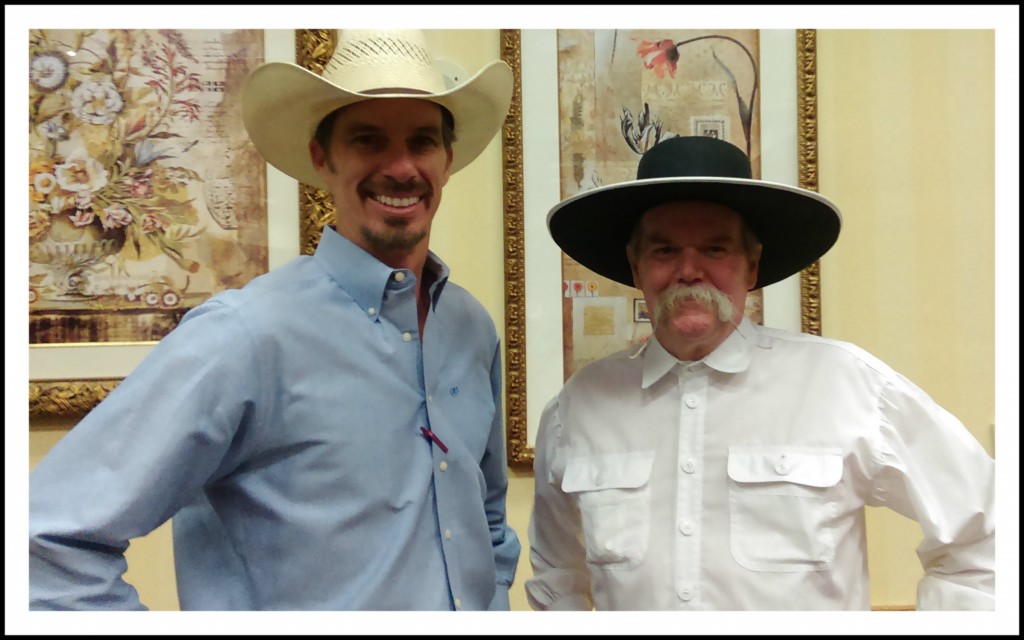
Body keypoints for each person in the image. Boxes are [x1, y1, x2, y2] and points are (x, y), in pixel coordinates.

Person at [29, 28, 520, 611]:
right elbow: (45, 539)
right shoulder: (245, 336)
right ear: (322, 157)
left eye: (422, 141)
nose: (401, 167)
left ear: (449, 159)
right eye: (368, 140)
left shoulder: (469, 327)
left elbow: (486, 520)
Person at [526, 135, 995, 611]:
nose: (689, 270)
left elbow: (988, 533)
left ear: (751, 266)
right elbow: (557, 577)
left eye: (715, 249)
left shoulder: (847, 386)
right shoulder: (577, 409)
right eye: (664, 251)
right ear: (636, 266)